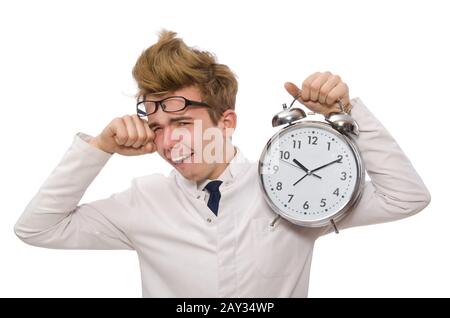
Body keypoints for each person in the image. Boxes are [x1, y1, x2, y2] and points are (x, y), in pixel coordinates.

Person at [14, 30, 431, 297]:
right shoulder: (143, 201)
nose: (167, 140)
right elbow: (37, 228)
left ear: (226, 121)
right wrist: (99, 147)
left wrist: (348, 110)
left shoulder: (290, 190)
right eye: (156, 126)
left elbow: (406, 197)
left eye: (181, 122)